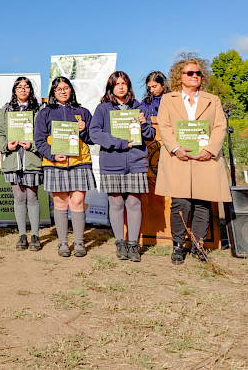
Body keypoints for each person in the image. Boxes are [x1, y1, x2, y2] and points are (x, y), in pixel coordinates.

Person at [155, 56, 231, 264]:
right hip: (178, 158)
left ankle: (199, 246)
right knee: (180, 203)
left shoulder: (212, 100)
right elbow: (165, 126)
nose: (195, 76)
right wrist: (176, 148)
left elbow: (219, 127)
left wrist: (210, 150)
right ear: (180, 77)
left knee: (202, 203)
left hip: (204, 159)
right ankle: (178, 246)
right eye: (190, 73)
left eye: (198, 73)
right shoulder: (167, 99)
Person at [89, 71, 155, 262]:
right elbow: (94, 133)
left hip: (135, 162)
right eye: (116, 83)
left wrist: (143, 124)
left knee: (134, 202)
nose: (120, 86)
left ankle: (133, 244)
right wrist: (118, 142)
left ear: (129, 86)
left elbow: (150, 134)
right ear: (111, 87)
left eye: (124, 83)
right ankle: (120, 242)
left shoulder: (140, 107)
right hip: (111, 162)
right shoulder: (103, 108)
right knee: (116, 203)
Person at [34, 76, 94, 258]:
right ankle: (62, 243)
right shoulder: (45, 113)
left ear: (71, 90)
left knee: (76, 202)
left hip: (80, 161)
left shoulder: (82, 111)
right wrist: (52, 154)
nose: (62, 91)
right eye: (58, 88)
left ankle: (79, 243)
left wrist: (83, 129)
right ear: (53, 92)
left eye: (66, 87)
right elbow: (39, 141)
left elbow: (92, 138)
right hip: (54, 163)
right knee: (61, 203)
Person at [0, 77, 43, 252]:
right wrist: (6, 145)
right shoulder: (6, 110)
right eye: (19, 87)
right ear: (14, 90)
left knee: (32, 197)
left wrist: (34, 146)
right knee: (20, 198)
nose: (23, 89)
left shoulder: (39, 110)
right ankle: (22, 235)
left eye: (26, 86)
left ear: (31, 90)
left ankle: (35, 235)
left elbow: (44, 134)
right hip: (13, 160)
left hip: (31, 159)